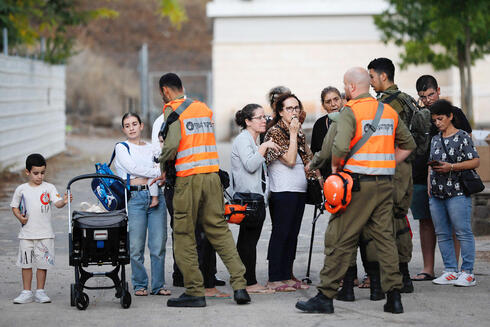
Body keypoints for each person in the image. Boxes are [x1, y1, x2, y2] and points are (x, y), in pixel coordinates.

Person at [295, 67, 415, 314]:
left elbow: (338, 147)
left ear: (350, 87)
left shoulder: (350, 112)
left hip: (357, 185)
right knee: (384, 240)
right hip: (385, 185)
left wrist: (338, 170)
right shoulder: (388, 111)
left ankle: (326, 295)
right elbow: (409, 144)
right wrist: (387, 164)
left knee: (341, 236)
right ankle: (393, 297)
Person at [155, 72, 250, 307]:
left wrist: (162, 163)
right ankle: (240, 286)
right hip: (212, 177)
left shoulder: (173, 109)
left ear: (165, 91)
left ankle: (195, 291)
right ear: (182, 87)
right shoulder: (202, 108)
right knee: (219, 231)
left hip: (189, 179)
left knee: (184, 233)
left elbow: (173, 144)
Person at [411, 75, 472, 281]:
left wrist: (453, 167)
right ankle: (429, 268)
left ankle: (452, 269)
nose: (428, 100)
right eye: (423, 97)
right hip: (422, 177)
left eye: (431, 94)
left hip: (453, 179)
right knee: (425, 222)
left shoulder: (455, 114)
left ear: (438, 90)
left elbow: (469, 147)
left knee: (455, 224)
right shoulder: (418, 116)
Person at [367, 57, 415, 293]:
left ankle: (396, 279)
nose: (370, 82)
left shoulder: (387, 104)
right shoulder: (407, 99)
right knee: (400, 218)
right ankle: (403, 277)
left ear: (383, 76)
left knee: (388, 221)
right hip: (405, 166)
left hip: (393, 165)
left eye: (372, 77)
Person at [264, 93, 316, 292]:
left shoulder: (298, 130)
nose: (294, 112)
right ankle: (274, 277)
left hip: (299, 189)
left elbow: (308, 156)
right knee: (281, 233)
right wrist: (293, 134)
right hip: (282, 190)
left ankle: (287, 274)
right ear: (280, 112)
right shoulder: (275, 132)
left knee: (292, 234)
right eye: (289, 108)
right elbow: (290, 159)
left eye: (296, 108)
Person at [114, 113, 170, 296]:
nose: (131, 128)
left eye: (134, 124)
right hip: (136, 198)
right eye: (127, 125)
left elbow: (162, 167)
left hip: (157, 197)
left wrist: (155, 173)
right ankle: (140, 285)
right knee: (136, 246)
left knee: (158, 245)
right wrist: (155, 173)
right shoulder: (121, 148)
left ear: (141, 126)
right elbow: (132, 168)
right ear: (123, 129)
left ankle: (158, 285)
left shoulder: (150, 147)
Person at [428, 99, 479, 287]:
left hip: (458, 191)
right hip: (437, 192)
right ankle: (450, 269)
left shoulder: (463, 136)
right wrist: (429, 187)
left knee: (463, 231)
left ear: (450, 117)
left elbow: (475, 161)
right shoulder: (434, 139)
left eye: (440, 119)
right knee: (442, 233)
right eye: (434, 120)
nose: (437, 123)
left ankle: (468, 272)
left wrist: (452, 167)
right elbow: (430, 165)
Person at [231, 103, 280, 294]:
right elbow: (251, 165)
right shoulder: (244, 139)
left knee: (248, 241)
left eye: (265, 116)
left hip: (256, 198)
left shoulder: (253, 140)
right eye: (259, 117)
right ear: (247, 121)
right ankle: (248, 282)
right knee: (248, 242)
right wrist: (265, 147)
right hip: (248, 199)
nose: (264, 120)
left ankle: (243, 278)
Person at [11, 153, 71, 304]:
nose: (39, 176)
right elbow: (14, 207)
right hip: (26, 235)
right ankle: (26, 292)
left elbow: (57, 203)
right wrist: (20, 217)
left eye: (42, 173)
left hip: (45, 234)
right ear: (27, 172)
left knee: (42, 264)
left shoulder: (49, 187)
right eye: (35, 173)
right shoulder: (21, 189)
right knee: (26, 264)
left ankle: (40, 291)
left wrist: (64, 201)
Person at [311, 86, 343, 179]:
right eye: (328, 102)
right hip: (328, 178)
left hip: (350, 175)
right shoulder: (319, 124)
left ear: (341, 100)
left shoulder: (350, 119)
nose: (333, 104)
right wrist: (319, 177)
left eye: (336, 99)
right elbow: (314, 152)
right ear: (323, 105)